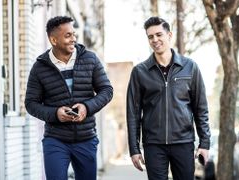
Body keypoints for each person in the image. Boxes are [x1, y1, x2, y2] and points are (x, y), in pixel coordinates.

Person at [25, 16, 113, 180]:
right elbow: (31, 104)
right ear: (53, 40)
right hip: (55, 140)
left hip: (86, 138)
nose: (73, 39)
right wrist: (55, 113)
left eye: (74, 34)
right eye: (68, 35)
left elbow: (106, 90)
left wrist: (87, 107)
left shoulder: (90, 59)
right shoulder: (39, 68)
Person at [126, 16, 211, 180]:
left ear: (169, 35)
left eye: (159, 35)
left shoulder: (190, 67)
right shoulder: (140, 72)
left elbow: (201, 108)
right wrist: (134, 149)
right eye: (150, 37)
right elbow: (133, 113)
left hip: (184, 142)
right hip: (153, 145)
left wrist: (205, 143)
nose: (155, 40)